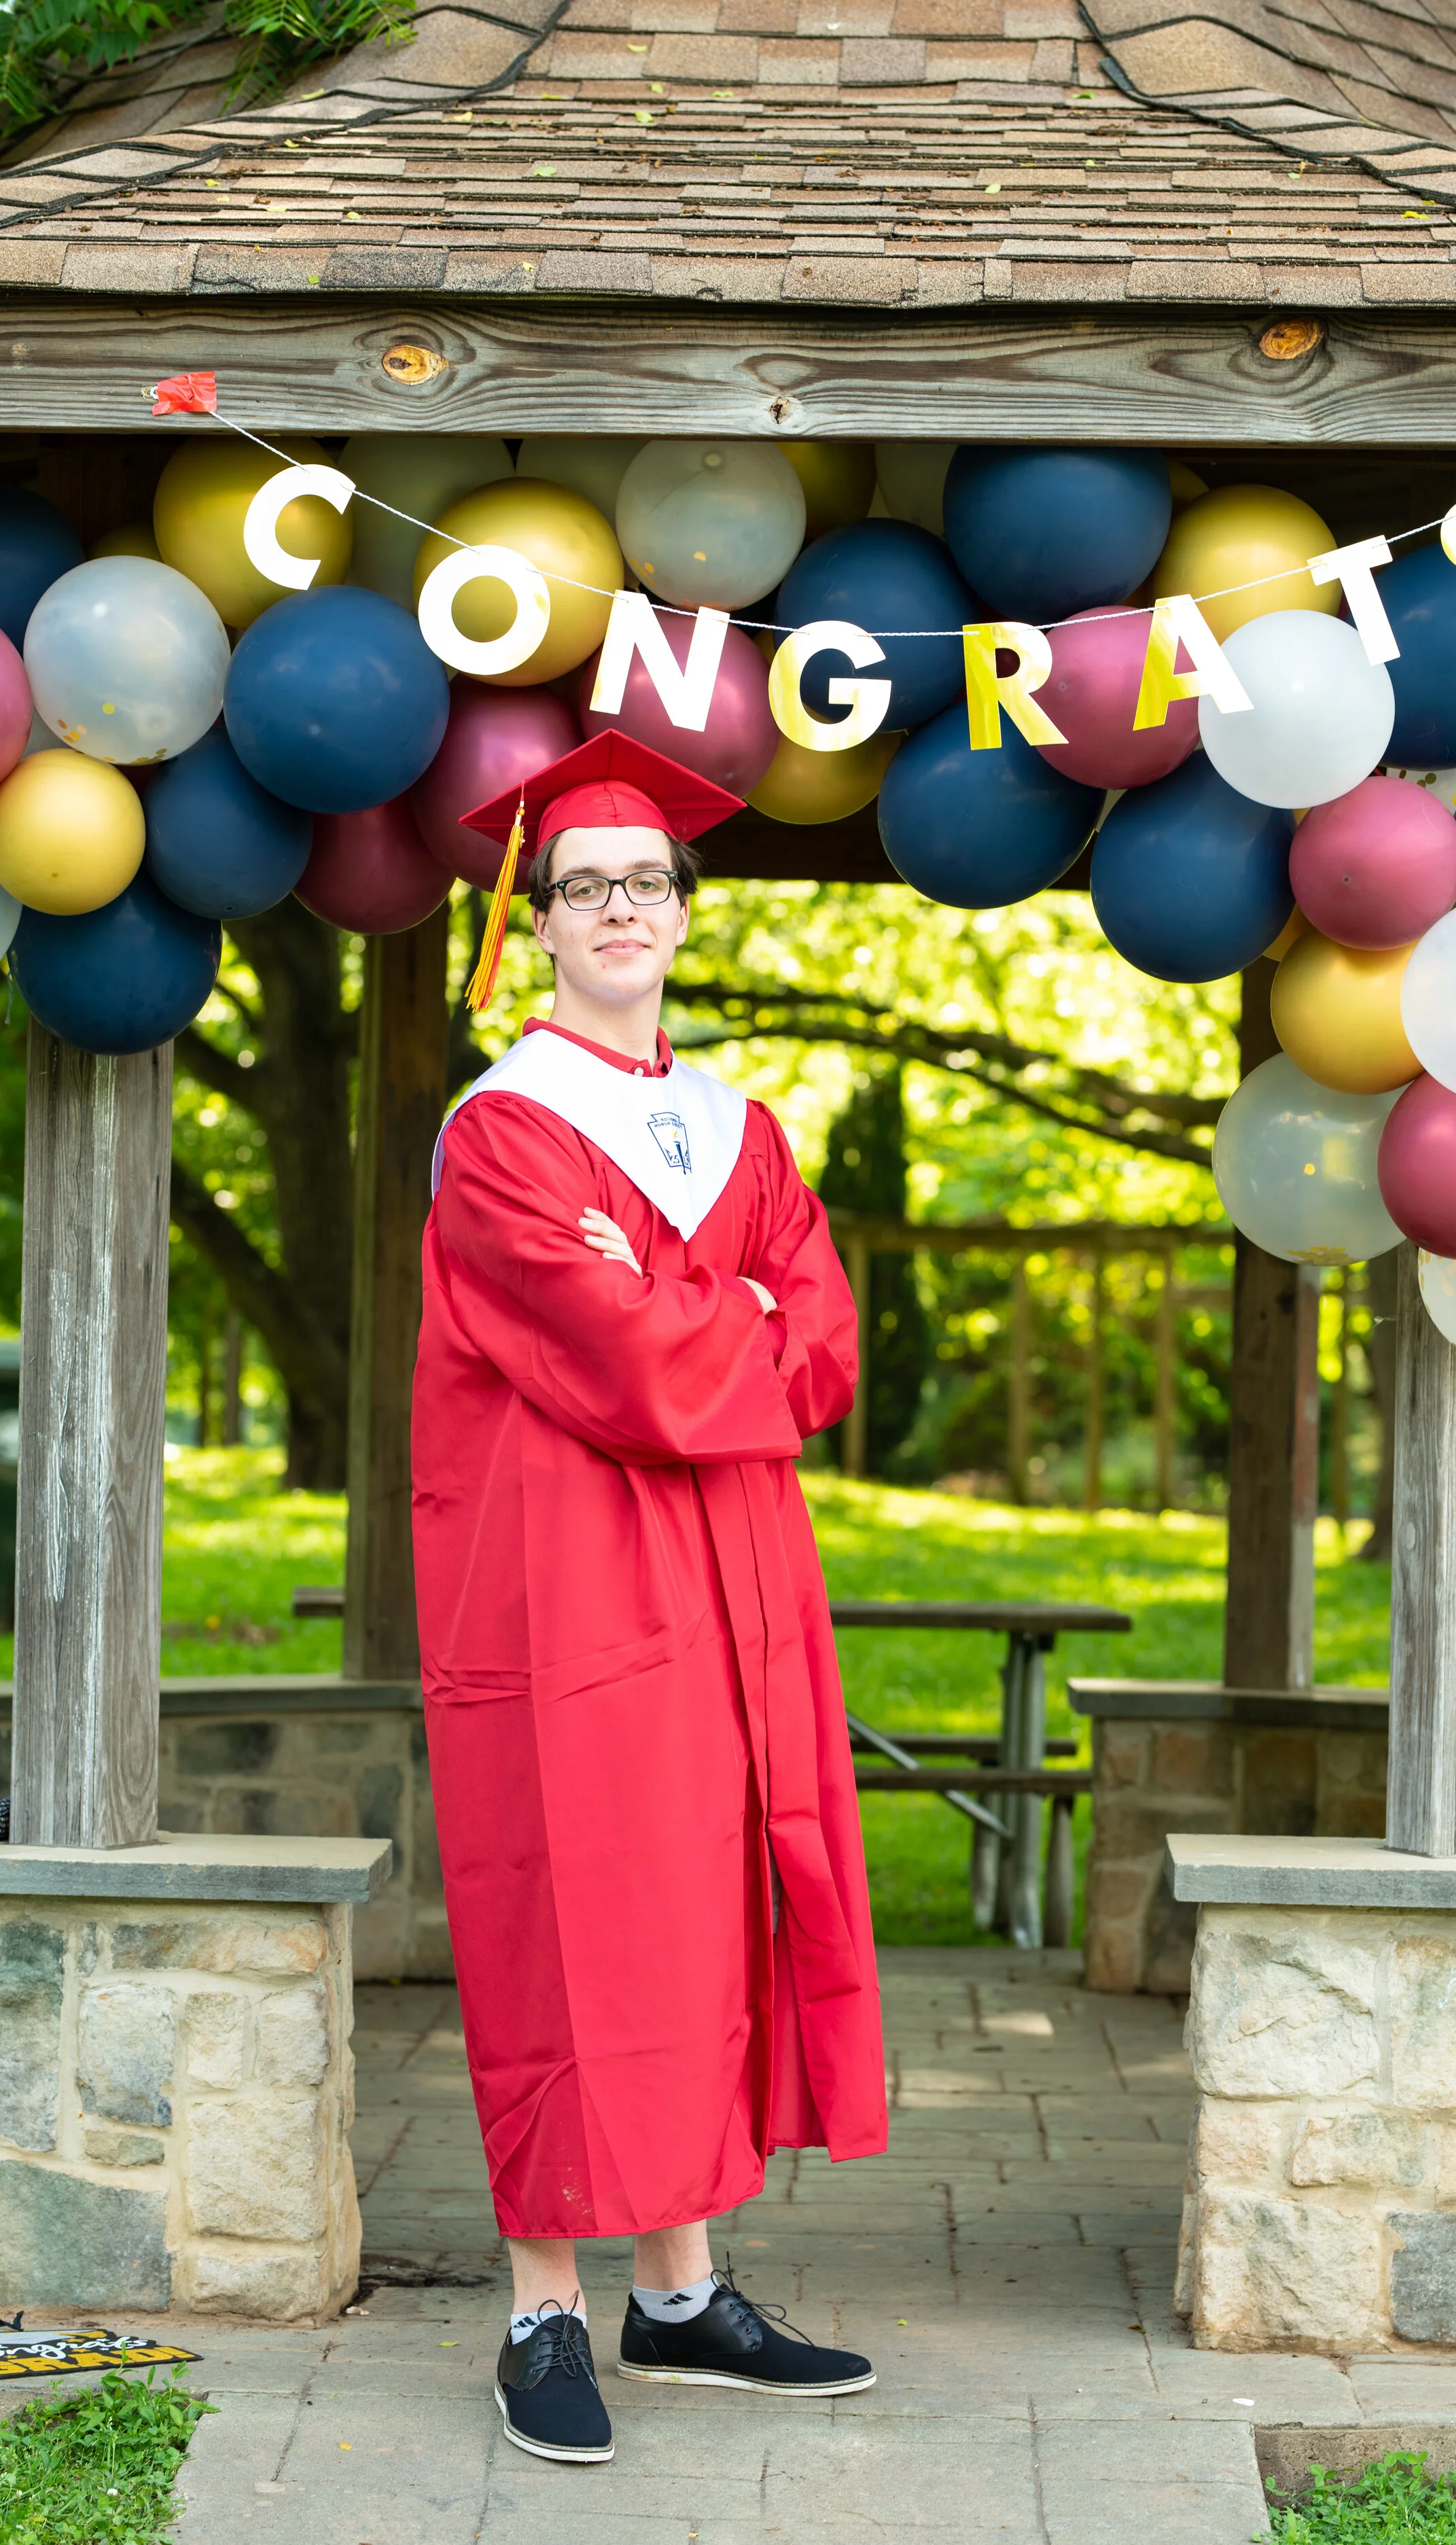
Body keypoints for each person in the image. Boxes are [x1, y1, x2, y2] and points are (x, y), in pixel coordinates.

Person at [411, 732, 887, 2468]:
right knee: (570, 1904)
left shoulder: (736, 1127)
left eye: (644, 884)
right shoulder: (502, 1134)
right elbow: (622, 1360)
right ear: (535, 921)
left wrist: (719, 1313)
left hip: (736, 1577)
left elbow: (823, 1342)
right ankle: (542, 2306)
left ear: (683, 912)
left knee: (702, 1906)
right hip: (565, 1587)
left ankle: (676, 2295)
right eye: (584, 887)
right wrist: (728, 1307)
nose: (619, 908)